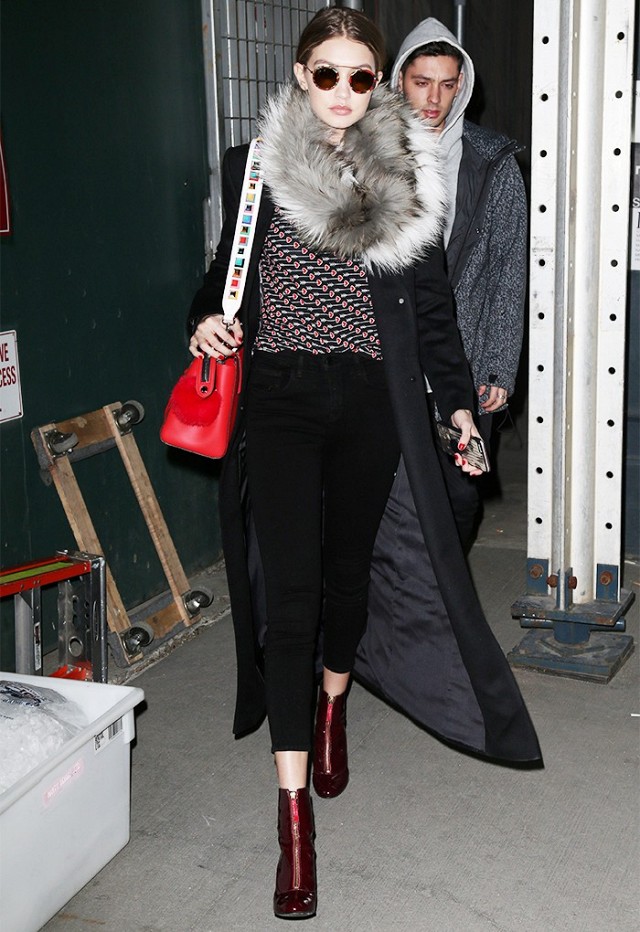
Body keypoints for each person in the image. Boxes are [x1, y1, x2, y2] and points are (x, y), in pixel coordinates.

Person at [187, 7, 541, 922]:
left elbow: (433, 312)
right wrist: (206, 319)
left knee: (349, 578)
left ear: (375, 83)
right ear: (301, 75)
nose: (344, 93)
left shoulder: (405, 173)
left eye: (360, 77)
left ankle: (334, 702)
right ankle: (294, 822)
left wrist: (458, 405)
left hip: (373, 404)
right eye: (327, 74)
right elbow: (222, 275)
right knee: (292, 598)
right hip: (281, 400)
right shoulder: (255, 167)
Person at [391, 18, 528, 550]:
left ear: (462, 85)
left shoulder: (492, 162)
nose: (434, 98)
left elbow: (507, 270)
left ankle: (442, 591)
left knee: (459, 496)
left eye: (447, 84)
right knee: (390, 498)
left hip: (464, 362)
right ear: (398, 81)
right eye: (422, 82)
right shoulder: (370, 153)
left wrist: (497, 366)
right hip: (388, 360)